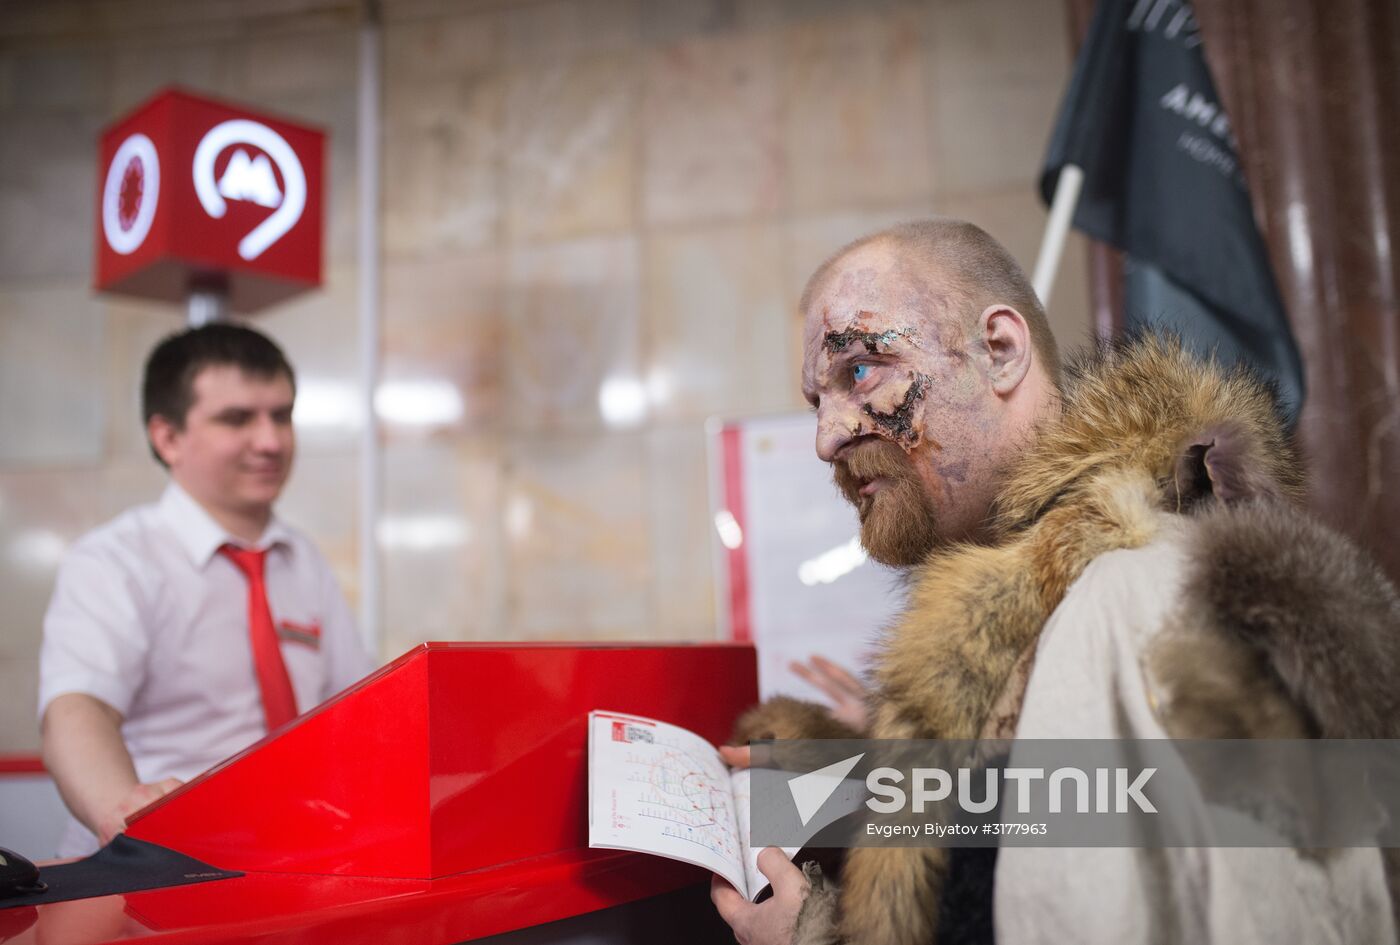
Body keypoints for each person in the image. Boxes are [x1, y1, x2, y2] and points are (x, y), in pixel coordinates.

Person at [712, 219, 1399, 944]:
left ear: (1000, 351)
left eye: (859, 371)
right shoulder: (1044, 600)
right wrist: (859, 769)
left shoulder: (1156, 596)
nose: (827, 438)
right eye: (817, 401)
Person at [38, 323, 373, 857]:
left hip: (290, 856)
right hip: (156, 864)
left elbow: (359, 709)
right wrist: (121, 810)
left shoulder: (302, 559)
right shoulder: (115, 560)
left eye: (282, 415)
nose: (271, 442)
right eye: (237, 419)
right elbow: (79, 709)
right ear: (167, 438)